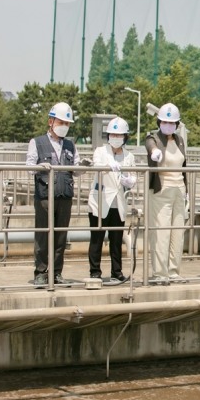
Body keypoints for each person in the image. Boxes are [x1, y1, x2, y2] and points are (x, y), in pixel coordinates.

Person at [25, 102, 80, 287]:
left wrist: (84, 167)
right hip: (45, 196)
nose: (64, 126)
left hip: (64, 196)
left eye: (67, 123)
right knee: (43, 235)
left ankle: (56, 273)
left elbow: (77, 169)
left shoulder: (71, 146)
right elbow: (28, 167)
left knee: (60, 237)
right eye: (61, 122)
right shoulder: (37, 142)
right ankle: (40, 272)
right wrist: (40, 167)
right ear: (51, 121)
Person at [87, 116, 137, 282]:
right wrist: (110, 167)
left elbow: (133, 177)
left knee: (116, 239)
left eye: (119, 135)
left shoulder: (129, 156)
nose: (116, 138)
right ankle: (95, 271)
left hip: (118, 202)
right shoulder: (101, 151)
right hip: (100, 201)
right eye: (113, 135)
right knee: (97, 239)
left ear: (125, 137)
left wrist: (129, 181)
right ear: (108, 136)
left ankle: (117, 271)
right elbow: (96, 165)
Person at [145, 103, 188, 284]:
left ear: (177, 124)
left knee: (177, 233)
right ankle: (159, 273)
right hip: (161, 189)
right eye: (164, 121)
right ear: (159, 121)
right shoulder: (153, 137)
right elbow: (151, 147)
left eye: (171, 122)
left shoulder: (179, 140)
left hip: (179, 189)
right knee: (161, 233)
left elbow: (183, 165)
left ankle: (173, 271)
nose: (168, 125)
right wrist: (154, 153)